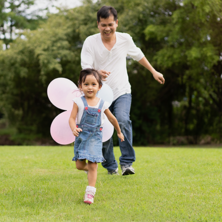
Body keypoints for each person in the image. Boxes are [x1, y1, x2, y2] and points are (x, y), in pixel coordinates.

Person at [81, 6, 165, 176]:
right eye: (103, 25)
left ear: (117, 23)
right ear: (98, 24)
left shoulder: (125, 39)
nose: (107, 28)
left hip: (121, 91)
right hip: (99, 94)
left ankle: (127, 163)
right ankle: (110, 166)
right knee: (102, 128)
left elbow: (138, 55)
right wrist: (96, 73)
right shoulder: (90, 42)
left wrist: (153, 71)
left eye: (110, 24)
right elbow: (86, 67)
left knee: (122, 120)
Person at [69, 68, 125, 204]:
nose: (90, 87)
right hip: (82, 137)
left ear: (99, 86)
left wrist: (119, 131)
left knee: (93, 164)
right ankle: (93, 169)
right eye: (86, 84)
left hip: (95, 138)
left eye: (93, 84)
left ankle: (90, 193)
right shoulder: (78, 102)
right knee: (79, 165)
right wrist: (73, 128)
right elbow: (72, 118)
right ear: (80, 86)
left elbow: (112, 119)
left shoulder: (103, 103)